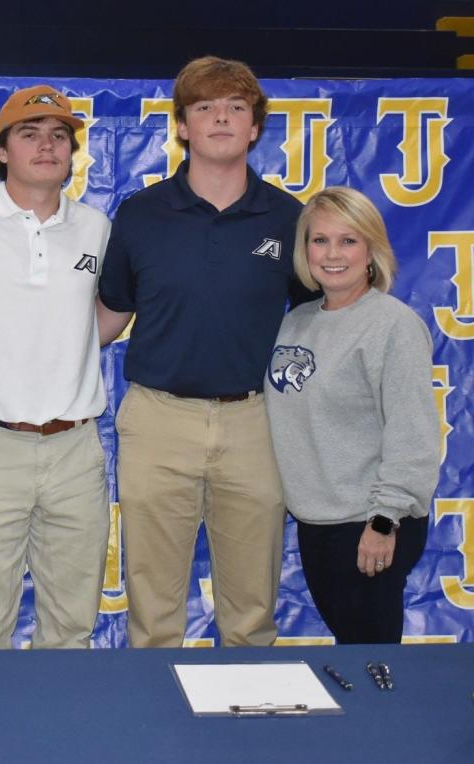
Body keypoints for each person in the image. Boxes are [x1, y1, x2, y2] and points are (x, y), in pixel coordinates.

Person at [97, 56, 313, 647]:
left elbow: (322, 316)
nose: (221, 117)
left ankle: (250, 732)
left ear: (254, 129)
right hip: (159, 419)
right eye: (205, 107)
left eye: (235, 108)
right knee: (153, 610)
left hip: (256, 422)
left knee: (250, 611)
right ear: (183, 127)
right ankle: (153, 725)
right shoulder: (141, 214)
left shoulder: (289, 217)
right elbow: (109, 315)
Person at [0, 85, 111, 649]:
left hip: (75, 446)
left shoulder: (97, 229)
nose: (46, 146)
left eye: (59, 136)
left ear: (73, 152)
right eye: (29, 134)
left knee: (72, 625)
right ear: (2, 150)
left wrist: (70, 346)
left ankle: (65, 735)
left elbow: (109, 313)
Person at [264, 186, 439, 644]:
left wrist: (384, 521)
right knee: (352, 650)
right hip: (318, 523)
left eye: (348, 241)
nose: (332, 254)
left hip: (372, 524)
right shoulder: (295, 321)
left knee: (373, 661)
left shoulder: (392, 325)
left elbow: (413, 437)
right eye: (319, 240)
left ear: (371, 251)